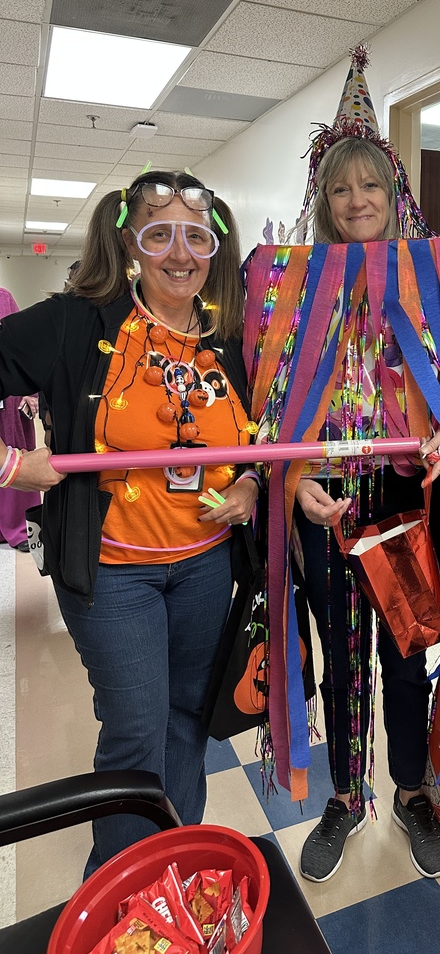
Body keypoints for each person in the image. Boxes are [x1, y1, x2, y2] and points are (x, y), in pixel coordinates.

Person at [240, 47, 440, 885]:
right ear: (326, 199)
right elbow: (272, 409)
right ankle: (346, 797)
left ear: (395, 198)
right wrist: (295, 476)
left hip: (398, 495)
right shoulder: (294, 289)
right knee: (341, 651)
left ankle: (413, 792)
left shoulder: (433, 282)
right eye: (343, 188)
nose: (358, 201)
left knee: (405, 642)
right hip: (322, 501)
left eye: (372, 187)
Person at [0, 171, 257, 875]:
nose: (180, 252)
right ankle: (122, 902)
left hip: (206, 568)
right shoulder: (78, 323)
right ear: (130, 243)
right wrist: (11, 467)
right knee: (137, 735)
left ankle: (175, 871)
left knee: (185, 724)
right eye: (159, 232)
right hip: (115, 572)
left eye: (196, 235)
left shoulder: (230, 338)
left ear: (215, 246)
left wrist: (254, 484)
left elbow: (258, 440)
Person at [0, 288, 41, 551]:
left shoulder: (3, 297)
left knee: (14, 455)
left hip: (5, 391)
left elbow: (21, 350)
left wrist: (31, 393)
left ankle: (21, 528)